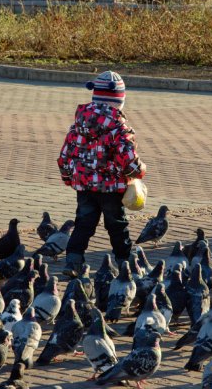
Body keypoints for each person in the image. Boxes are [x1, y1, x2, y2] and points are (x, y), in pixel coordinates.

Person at [57, 71, 146, 278]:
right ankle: (125, 261)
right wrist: (139, 171)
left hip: (85, 186)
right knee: (117, 225)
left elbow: (64, 155)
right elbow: (128, 159)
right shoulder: (118, 127)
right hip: (112, 188)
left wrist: (69, 177)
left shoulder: (79, 124)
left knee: (83, 223)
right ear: (119, 100)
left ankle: (73, 260)